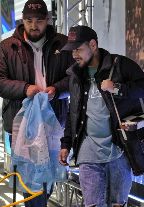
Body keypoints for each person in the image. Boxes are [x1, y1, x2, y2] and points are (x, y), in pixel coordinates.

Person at [0, 0, 73, 206]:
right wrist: (25, 89)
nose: (34, 25)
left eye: (39, 21)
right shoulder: (8, 46)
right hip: (22, 124)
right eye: (29, 21)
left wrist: (58, 89)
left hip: (54, 122)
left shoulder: (62, 44)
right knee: (30, 181)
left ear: (48, 20)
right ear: (22, 21)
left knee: (49, 179)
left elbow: (74, 77)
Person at [58, 25, 144, 207]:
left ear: (93, 45)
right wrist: (65, 143)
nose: (74, 55)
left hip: (119, 150)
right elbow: (72, 112)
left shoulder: (120, 65)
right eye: (72, 50)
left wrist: (118, 88)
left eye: (78, 49)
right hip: (88, 152)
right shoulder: (75, 75)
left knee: (117, 203)